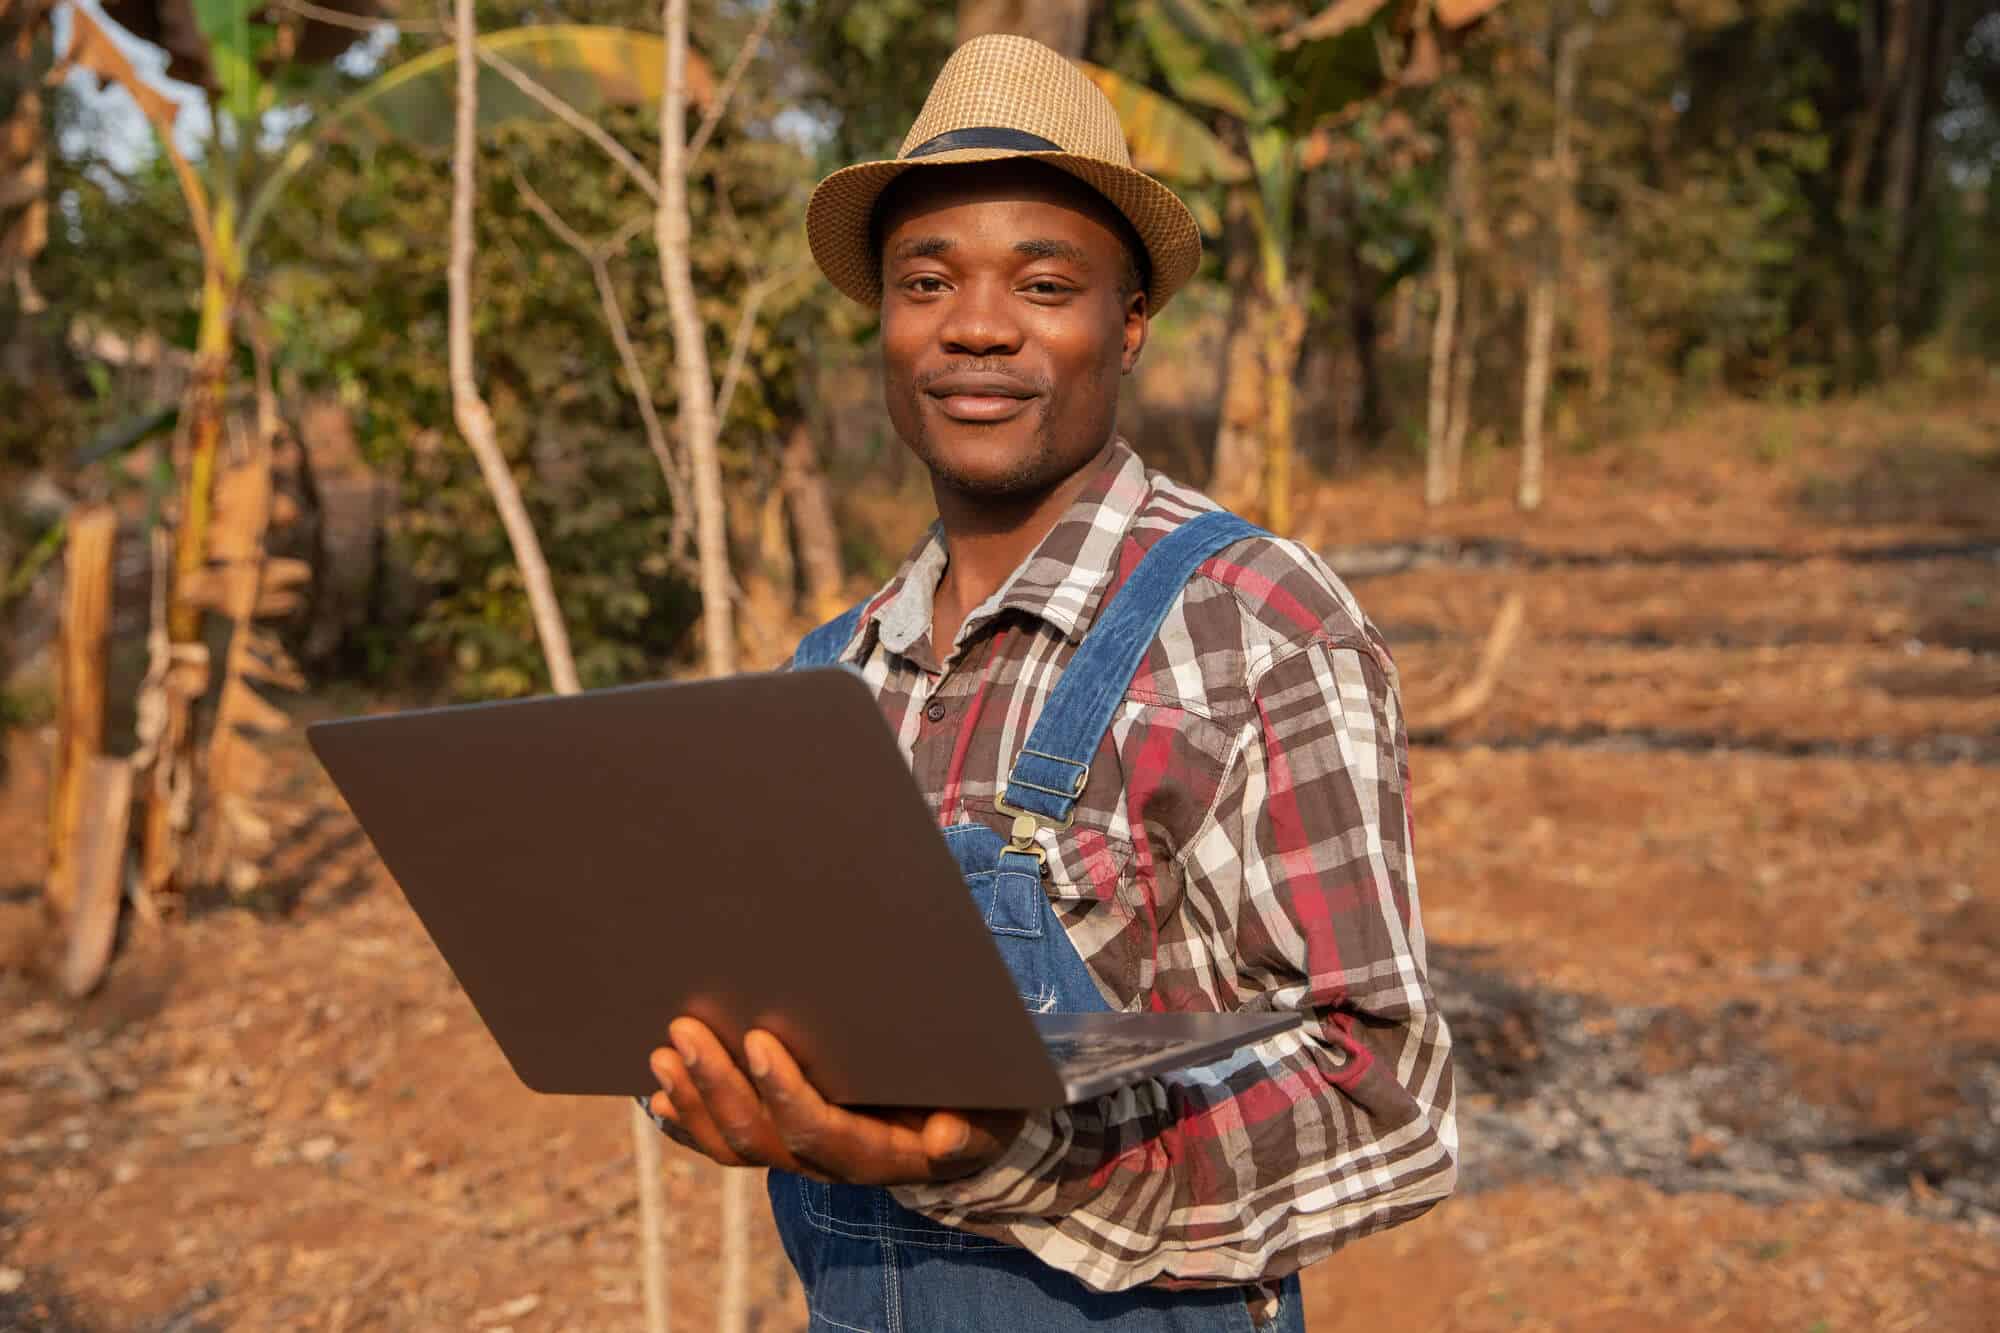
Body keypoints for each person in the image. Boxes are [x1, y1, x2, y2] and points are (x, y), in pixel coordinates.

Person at [642, 34, 1456, 1332]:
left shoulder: (1257, 629)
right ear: (886, 320)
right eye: (927, 279)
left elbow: (1385, 1097)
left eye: (1042, 280)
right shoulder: (824, 681)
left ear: (1128, 323)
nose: (975, 325)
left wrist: (996, 1154)